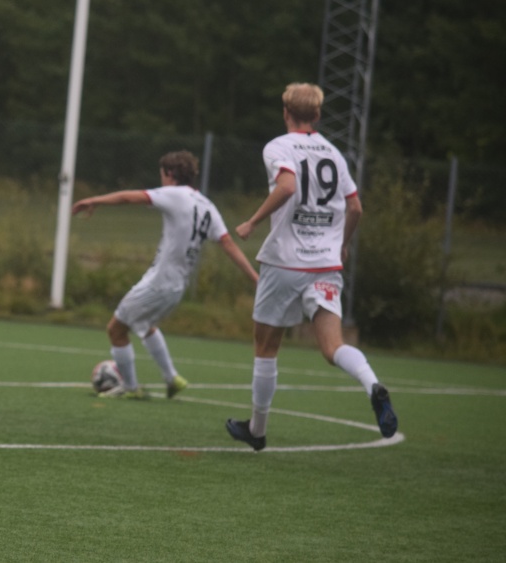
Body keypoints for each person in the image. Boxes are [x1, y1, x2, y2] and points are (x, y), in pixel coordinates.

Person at [226, 82, 398, 451]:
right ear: (317, 115)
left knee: (266, 346)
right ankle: (372, 384)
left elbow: (288, 186)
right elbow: (355, 208)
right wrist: (342, 244)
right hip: (325, 264)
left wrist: (253, 221)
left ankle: (257, 430)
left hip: (285, 261)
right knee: (333, 346)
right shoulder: (334, 153)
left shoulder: (278, 146)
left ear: (285, 113)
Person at [73, 151, 259, 399]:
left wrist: (95, 200)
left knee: (116, 330)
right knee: (145, 325)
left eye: (161, 174)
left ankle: (130, 388)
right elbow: (228, 244)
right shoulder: (208, 206)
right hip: (177, 285)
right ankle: (172, 379)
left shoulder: (175, 194)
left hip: (160, 282)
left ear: (170, 173)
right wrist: (255, 278)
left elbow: (130, 197)